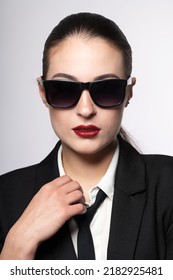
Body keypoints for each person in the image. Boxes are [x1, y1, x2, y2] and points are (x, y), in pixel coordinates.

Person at [0, 12, 173, 260]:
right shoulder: (5, 197)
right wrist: (18, 243)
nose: (85, 110)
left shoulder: (168, 185)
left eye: (106, 89)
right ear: (42, 92)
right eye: (63, 90)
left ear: (128, 93)